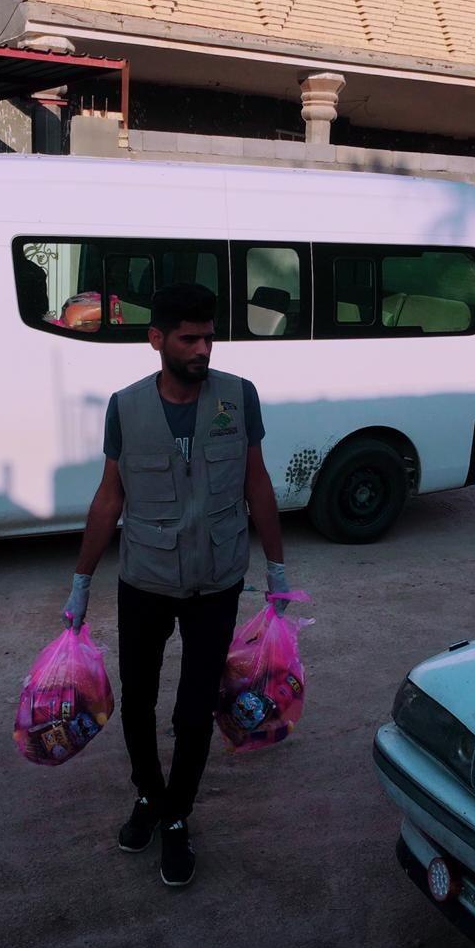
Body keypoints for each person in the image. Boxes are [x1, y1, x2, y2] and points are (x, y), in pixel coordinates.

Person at [62, 282, 290, 888]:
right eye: (189, 339)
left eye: (209, 338)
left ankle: (177, 816)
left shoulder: (238, 397)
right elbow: (110, 496)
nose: (202, 350)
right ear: (156, 339)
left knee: (194, 711)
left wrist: (277, 570)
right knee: (137, 701)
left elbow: (257, 482)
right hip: (145, 579)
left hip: (217, 580)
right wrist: (81, 582)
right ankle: (148, 794)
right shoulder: (126, 407)